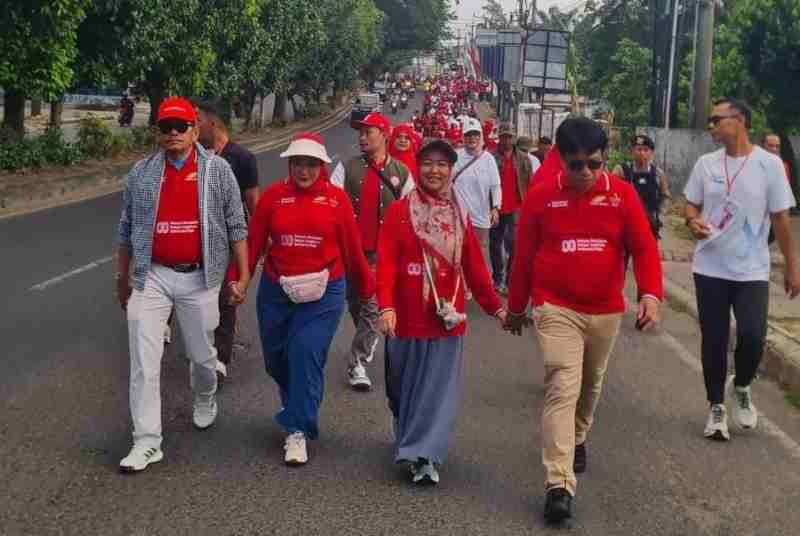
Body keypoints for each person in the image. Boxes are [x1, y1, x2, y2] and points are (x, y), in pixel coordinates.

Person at [505, 117, 663, 523]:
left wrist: (650, 295)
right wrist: (517, 306)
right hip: (555, 306)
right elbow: (522, 258)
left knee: (590, 385)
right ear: (561, 160)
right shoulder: (542, 197)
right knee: (561, 384)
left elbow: (644, 249)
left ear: (604, 159)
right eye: (576, 165)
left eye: (594, 163)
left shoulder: (623, 196)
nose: (586, 173)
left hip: (605, 310)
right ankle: (558, 484)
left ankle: (578, 435)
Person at [115, 97, 249, 473]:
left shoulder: (218, 171)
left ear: (194, 130)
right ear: (157, 132)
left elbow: (237, 224)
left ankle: (204, 393)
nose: (173, 133)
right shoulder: (141, 173)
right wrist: (122, 277)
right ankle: (146, 440)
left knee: (202, 356)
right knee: (143, 360)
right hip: (151, 276)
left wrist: (242, 275)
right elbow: (125, 230)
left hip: (200, 278)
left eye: (180, 126)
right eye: (165, 127)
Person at [232, 133, 375, 465]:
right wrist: (239, 281)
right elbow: (253, 244)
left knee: (305, 353)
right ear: (289, 163)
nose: (304, 171)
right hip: (276, 288)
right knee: (277, 359)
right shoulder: (272, 198)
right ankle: (297, 402)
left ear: (322, 166)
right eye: (298, 163)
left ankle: (298, 429)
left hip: (324, 291)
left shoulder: (337, 201)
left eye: (312, 164)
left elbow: (353, 252)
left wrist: (370, 296)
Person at [376, 139, 506, 485]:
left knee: (435, 392)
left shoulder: (458, 215)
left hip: (445, 320)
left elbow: (475, 267)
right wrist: (386, 306)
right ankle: (408, 433)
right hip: (404, 319)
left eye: (443, 165)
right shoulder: (399, 212)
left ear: (451, 171)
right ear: (417, 168)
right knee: (401, 389)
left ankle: (424, 456)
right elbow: (386, 263)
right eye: (428, 163)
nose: (435, 171)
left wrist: (496, 308)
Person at [684, 99, 799, 442]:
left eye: (716, 120)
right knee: (715, 340)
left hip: (751, 270)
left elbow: (780, 218)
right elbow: (691, 203)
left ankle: (743, 384)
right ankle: (716, 407)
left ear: (740, 121)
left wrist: (792, 268)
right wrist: (692, 220)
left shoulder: (770, 165)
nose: (711, 126)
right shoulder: (706, 164)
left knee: (752, 336)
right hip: (710, 267)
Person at [330, 113, 415, 390]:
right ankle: (368, 339)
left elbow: (411, 215)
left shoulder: (402, 173)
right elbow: (330, 204)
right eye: (360, 133)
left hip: (383, 258)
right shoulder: (346, 168)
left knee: (370, 309)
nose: (362, 137)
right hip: (350, 254)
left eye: (369, 132)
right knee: (356, 305)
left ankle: (357, 362)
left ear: (384, 134)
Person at [195, 100, 260, 381]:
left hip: (231, 240)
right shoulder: (195, 157)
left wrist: (257, 241)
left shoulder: (242, 158)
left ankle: (220, 358)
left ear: (212, 123)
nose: (193, 126)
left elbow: (253, 203)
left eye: (197, 120)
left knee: (226, 295)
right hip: (199, 238)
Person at [452, 118, 501, 269]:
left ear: (481, 136)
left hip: (481, 218)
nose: (472, 138)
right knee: (458, 255)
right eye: (468, 135)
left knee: (481, 257)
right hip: (458, 218)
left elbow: (496, 186)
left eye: (475, 134)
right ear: (463, 137)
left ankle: (482, 289)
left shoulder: (488, 159)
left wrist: (495, 207)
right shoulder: (455, 157)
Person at [490, 123, 533, 294]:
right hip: (496, 207)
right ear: (499, 137)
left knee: (515, 245)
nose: (507, 139)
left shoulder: (523, 158)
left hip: (517, 207)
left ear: (514, 137)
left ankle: (509, 280)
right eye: (504, 136)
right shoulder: (491, 157)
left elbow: (530, 182)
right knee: (495, 244)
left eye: (509, 136)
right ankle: (497, 278)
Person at [612, 135, 671, 239]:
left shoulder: (658, 174)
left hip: (649, 222)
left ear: (651, 153)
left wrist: (659, 216)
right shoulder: (621, 170)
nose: (642, 153)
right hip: (626, 222)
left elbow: (665, 196)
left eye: (646, 150)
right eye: (638, 149)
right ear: (632, 152)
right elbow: (611, 193)